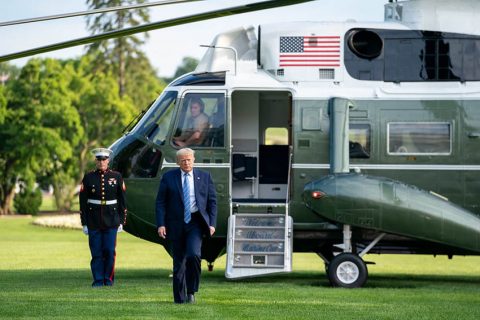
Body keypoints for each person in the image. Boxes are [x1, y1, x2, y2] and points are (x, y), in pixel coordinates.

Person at [155, 148, 217, 304]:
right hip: (175, 224)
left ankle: (191, 291)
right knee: (179, 262)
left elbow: (212, 202)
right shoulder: (168, 178)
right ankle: (179, 298)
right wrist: (161, 224)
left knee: (194, 255)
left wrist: (212, 224)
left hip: (195, 223)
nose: (186, 162)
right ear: (178, 162)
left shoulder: (204, 177)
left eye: (189, 159)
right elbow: (160, 203)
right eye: (183, 160)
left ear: (194, 160)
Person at [79, 148, 127, 287]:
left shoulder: (116, 176)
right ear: (95, 161)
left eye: (104, 159)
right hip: (93, 220)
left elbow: (122, 200)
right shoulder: (88, 177)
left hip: (111, 219)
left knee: (109, 251)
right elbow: (83, 201)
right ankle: (98, 280)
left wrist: (122, 221)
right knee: (96, 252)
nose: (101, 162)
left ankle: (109, 279)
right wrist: (84, 223)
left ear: (108, 160)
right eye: (99, 160)